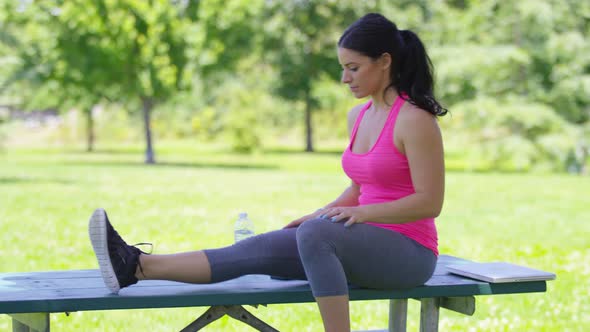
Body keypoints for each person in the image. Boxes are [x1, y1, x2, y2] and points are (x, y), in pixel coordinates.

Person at [88, 13, 447, 332]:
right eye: (343, 67)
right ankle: (135, 266)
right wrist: (319, 215)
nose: (344, 78)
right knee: (259, 247)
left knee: (316, 235)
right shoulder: (359, 116)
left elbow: (429, 202)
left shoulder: (415, 120)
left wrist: (352, 216)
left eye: (353, 68)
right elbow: (359, 188)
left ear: (384, 61)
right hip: (358, 239)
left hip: (409, 254)